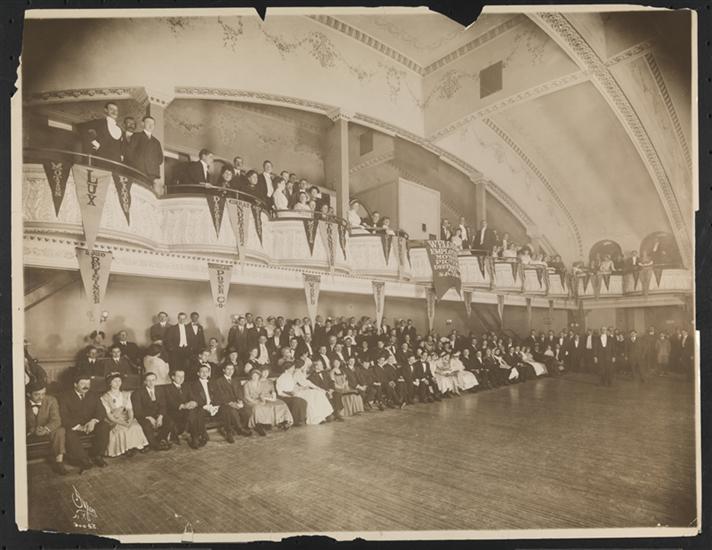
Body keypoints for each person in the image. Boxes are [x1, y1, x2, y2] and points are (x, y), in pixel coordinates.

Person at [59, 372, 111, 471]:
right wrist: (78, 427)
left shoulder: (93, 395)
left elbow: (101, 411)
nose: (86, 386)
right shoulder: (65, 396)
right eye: (83, 384)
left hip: (90, 424)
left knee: (104, 426)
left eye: (88, 384)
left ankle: (97, 456)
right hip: (74, 426)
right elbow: (63, 417)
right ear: (75, 384)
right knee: (68, 433)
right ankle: (83, 459)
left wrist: (93, 421)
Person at [100, 372, 149, 457]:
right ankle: (125, 449)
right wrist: (122, 423)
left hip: (125, 417)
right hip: (114, 420)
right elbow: (109, 416)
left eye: (119, 381)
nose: (118, 383)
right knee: (121, 430)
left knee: (135, 427)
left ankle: (134, 446)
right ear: (110, 383)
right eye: (115, 381)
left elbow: (130, 409)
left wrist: (130, 419)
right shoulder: (105, 397)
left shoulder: (125, 394)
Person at [26, 380, 67, 475]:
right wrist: (32, 430)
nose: (41, 397)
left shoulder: (51, 400)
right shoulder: (20, 401)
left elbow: (56, 420)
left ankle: (59, 462)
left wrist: (45, 429)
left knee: (60, 431)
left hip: (46, 428)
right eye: (37, 394)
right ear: (28, 394)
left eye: (43, 394)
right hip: (29, 430)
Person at [131, 372, 173, 451]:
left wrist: (160, 416)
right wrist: (149, 418)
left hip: (157, 415)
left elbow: (163, 405)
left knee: (170, 422)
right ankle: (154, 445)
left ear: (156, 381)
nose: (151, 382)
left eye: (153, 380)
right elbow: (137, 410)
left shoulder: (160, 390)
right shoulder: (137, 393)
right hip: (144, 416)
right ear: (145, 382)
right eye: (148, 380)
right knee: (147, 425)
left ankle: (160, 439)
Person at [211, 363, 256, 438]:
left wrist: (240, 400)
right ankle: (239, 429)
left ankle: (244, 426)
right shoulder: (218, 381)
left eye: (232, 369)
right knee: (232, 411)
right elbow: (219, 395)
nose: (230, 371)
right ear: (224, 370)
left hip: (236, 402)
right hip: (225, 404)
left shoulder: (236, 380)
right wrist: (231, 403)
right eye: (228, 369)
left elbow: (240, 392)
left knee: (247, 410)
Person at [242, 367, 293, 431]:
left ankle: (284, 421)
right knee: (261, 407)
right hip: (252, 400)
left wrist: (269, 398)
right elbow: (247, 396)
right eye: (254, 375)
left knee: (281, 404)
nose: (255, 377)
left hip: (263, 399)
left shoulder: (263, 383)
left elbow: (263, 393)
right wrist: (258, 401)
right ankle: (260, 424)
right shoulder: (248, 384)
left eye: (257, 375)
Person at [163, 368, 202, 447]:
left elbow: (192, 397)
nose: (181, 378)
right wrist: (183, 406)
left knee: (194, 411)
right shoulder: (167, 388)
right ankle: (195, 437)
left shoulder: (186, 386)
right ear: (173, 377)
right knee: (192, 413)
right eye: (178, 376)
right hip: (174, 411)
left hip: (186, 410)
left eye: (183, 376)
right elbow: (170, 402)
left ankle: (194, 437)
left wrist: (193, 402)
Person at [128, 115, 164, 187]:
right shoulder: (136, 136)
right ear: (143, 124)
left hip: (152, 174)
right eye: (148, 123)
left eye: (152, 124)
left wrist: (151, 164)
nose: (151, 125)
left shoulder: (156, 142)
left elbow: (160, 159)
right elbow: (130, 153)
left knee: (150, 192)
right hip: (139, 171)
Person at [275, 362, 308, 426]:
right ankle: (294, 420)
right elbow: (280, 392)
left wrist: (299, 389)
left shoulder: (289, 376)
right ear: (287, 368)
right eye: (292, 368)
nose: (294, 369)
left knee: (304, 401)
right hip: (283, 396)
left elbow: (291, 387)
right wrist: (289, 395)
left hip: (290, 394)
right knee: (296, 400)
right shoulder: (282, 377)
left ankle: (301, 420)